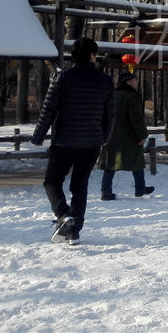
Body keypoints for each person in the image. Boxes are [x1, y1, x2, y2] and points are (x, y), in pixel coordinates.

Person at [31, 37, 114, 246]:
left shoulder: (63, 78)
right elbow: (110, 113)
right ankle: (74, 232)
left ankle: (63, 215)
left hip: (65, 142)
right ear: (92, 55)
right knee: (80, 185)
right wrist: (105, 137)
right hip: (92, 142)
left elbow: (48, 108)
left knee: (52, 180)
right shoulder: (104, 81)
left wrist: (39, 135)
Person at [98, 72, 154, 200]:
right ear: (127, 81)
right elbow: (137, 119)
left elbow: (103, 116)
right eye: (134, 80)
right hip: (129, 136)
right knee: (137, 161)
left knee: (111, 163)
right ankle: (140, 189)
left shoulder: (111, 95)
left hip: (111, 135)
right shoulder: (132, 97)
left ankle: (106, 191)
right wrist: (142, 135)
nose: (136, 82)